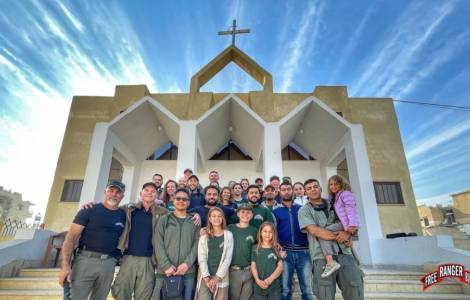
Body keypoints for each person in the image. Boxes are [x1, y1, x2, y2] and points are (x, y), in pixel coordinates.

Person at [58, 180, 126, 300]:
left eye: (118, 192)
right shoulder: (89, 210)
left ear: (122, 196)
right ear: (105, 192)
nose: (114, 194)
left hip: (108, 264)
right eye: (111, 190)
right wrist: (65, 266)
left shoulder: (123, 214)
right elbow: (70, 239)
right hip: (85, 261)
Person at [298, 179, 364, 300]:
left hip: (345, 254)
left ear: (321, 188)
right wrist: (341, 236)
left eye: (315, 186)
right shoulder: (304, 211)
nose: (313, 189)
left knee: (355, 292)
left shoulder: (336, 203)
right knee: (325, 295)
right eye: (309, 188)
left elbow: (351, 220)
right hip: (322, 259)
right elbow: (315, 231)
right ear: (305, 193)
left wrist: (348, 235)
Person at [111, 182, 168, 300]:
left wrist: (195, 215)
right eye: (146, 190)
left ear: (156, 196)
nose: (149, 193)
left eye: (153, 191)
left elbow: (179, 215)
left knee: (144, 294)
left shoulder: (163, 212)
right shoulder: (128, 209)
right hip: (128, 258)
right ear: (141, 194)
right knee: (121, 292)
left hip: (149, 260)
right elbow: (111, 208)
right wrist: (93, 205)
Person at [153, 188, 201, 300]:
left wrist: (187, 264)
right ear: (173, 200)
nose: (181, 201)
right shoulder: (164, 219)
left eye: (184, 199)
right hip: (165, 271)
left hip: (187, 272)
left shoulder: (194, 221)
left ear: (188, 202)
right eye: (178, 198)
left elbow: (197, 244)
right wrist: (166, 265)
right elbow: (158, 243)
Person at [272, 182, 314, 300]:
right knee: (285, 290)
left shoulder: (302, 209)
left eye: (289, 189)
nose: (286, 191)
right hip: (285, 253)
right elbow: (273, 231)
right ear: (279, 192)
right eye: (283, 189)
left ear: (292, 191)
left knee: (307, 289)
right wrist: (277, 244)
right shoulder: (275, 211)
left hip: (304, 253)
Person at [318, 175, 361, 277]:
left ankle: (330, 262)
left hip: (347, 224)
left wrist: (352, 225)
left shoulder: (345, 194)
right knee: (344, 241)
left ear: (341, 184)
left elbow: (351, 209)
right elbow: (326, 201)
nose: (333, 186)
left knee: (323, 233)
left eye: (336, 184)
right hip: (342, 224)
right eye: (331, 184)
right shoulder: (334, 196)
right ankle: (356, 261)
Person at [195, 207, 234, 300]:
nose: (217, 218)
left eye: (219, 216)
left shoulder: (228, 235)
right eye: (214, 216)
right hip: (205, 275)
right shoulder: (204, 236)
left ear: (223, 218)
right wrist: (207, 278)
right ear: (209, 218)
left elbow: (227, 259)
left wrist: (216, 278)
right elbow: (201, 258)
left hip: (221, 276)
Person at [228, 204, 258, 300]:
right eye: (243, 212)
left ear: (252, 215)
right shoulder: (230, 228)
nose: (245, 214)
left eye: (248, 212)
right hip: (233, 270)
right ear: (238, 214)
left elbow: (260, 249)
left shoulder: (255, 230)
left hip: (249, 270)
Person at [251, 222, 283, 300]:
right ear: (260, 232)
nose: (267, 234)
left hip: (274, 287)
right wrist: (257, 280)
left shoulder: (277, 248)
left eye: (270, 232)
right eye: (265, 231)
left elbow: (280, 267)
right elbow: (253, 266)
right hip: (259, 286)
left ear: (273, 234)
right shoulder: (255, 248)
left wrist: (269, 280)